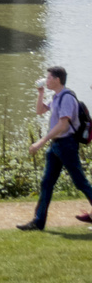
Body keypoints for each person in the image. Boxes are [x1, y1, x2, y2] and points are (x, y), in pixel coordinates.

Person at [18, 65, 92, 230]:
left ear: (57, 80)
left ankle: (38, 221)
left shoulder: (66, 98)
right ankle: (38, 222)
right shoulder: (57, 97)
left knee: (80, 183)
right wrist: (40, 92)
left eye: (49, 77)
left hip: (67, 145)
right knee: (46, 183)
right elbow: (39, 111)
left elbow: (63, 125)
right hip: (56, 147)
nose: (47, 80)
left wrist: (41, 141)